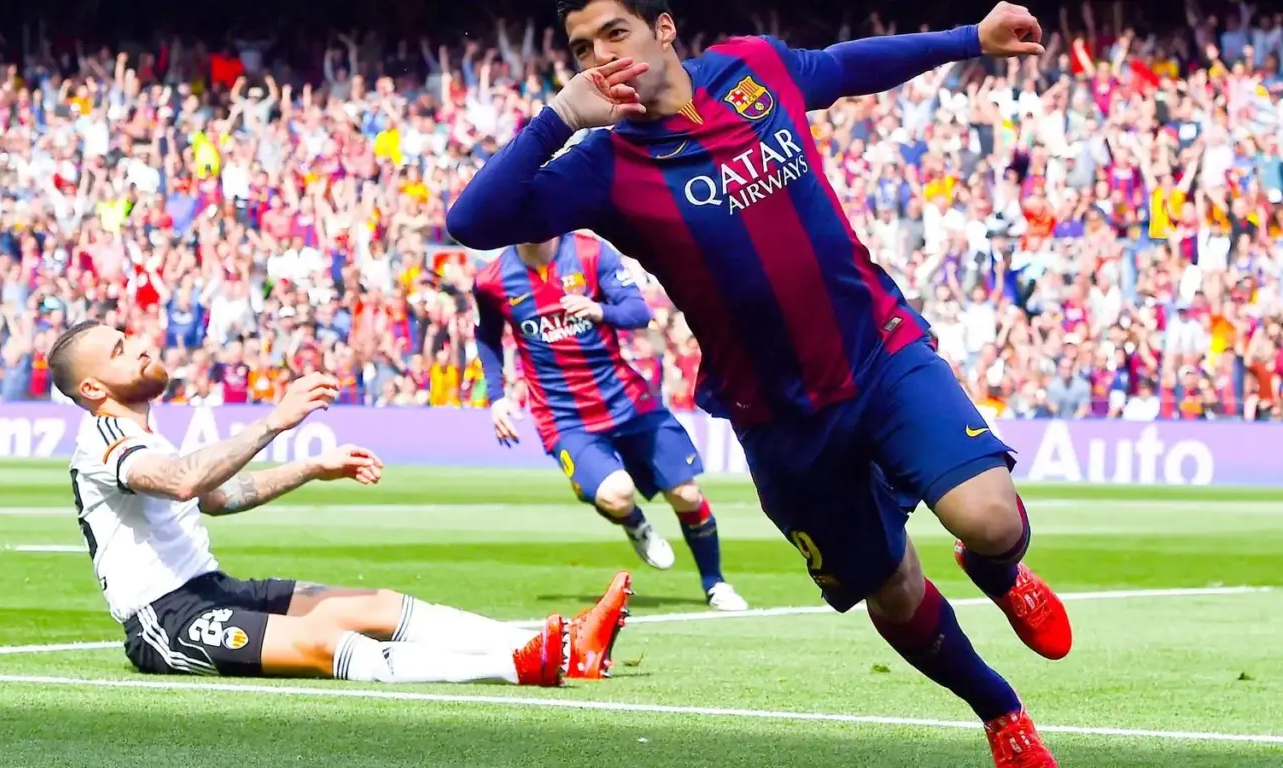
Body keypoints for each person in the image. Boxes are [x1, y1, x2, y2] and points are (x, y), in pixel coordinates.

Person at [446, 2, 1069, 765]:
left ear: (663, 29)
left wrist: (970, 38)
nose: (601, 55)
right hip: (779, 418)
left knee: (991, 521)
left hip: (878, 350)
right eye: (582, 47)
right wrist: (559, 119)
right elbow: (472, 221)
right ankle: (1000, 711)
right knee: (892, 585)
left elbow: (846, 66)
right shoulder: (605, 165)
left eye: (615, 32)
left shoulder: (753, 69)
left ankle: (998, 571)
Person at [48, 319, 631, 686]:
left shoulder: (145, 433)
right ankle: (517, 666)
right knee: (326, 644)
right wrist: (275, 421)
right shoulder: (104, 440)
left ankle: (561, 646)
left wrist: (311, 468)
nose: (140, 346)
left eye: (130, 338)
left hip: (213, 588)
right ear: (93, 388)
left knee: (375, 605)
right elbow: (182, 482)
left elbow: (217, 497)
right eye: (121, 350)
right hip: (167, 620)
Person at [474, 231, 748, 611]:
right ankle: (635, 523)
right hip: (565, 418)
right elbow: (487, 338)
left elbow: (638, 312)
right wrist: (497, 397)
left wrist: (599, 310)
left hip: (627, 402)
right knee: (616, 494)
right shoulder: (492, 280)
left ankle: (715, 583)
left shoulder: (590, 253)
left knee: (686, 494)